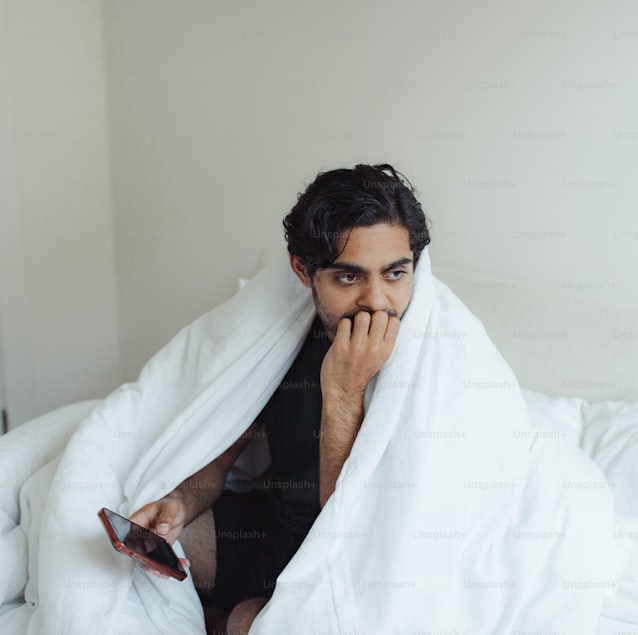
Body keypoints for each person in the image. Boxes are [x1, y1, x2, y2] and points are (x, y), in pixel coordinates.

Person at [129, 163, 431, 634]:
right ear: (303, 270)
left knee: (252, 622)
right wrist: (180, 503)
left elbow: (352, 533)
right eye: (349, 278)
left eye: (395, 273)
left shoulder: (425, 362)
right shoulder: (283, 340)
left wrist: (345, 390)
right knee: (144, 549)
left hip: (345, 562)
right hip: (273, 535)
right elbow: (222, 451)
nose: (377, 301)